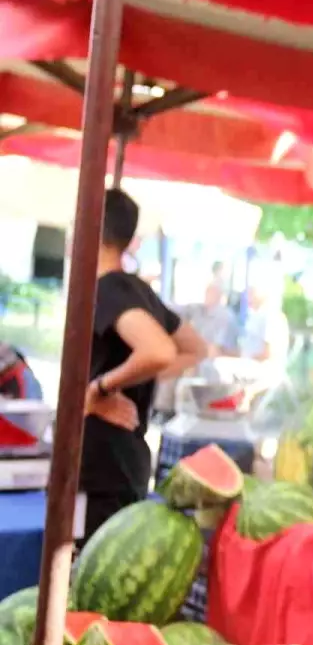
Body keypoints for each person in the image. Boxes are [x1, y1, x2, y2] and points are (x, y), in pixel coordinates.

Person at [81, 189, 206, 544]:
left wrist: (100, 388)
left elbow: (160, 351)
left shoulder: (108, 288)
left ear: (88, 228)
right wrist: (134, 378)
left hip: (105, 463)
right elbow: (195, 348)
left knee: (93, 579)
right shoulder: (139, 290)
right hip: (127, 461)